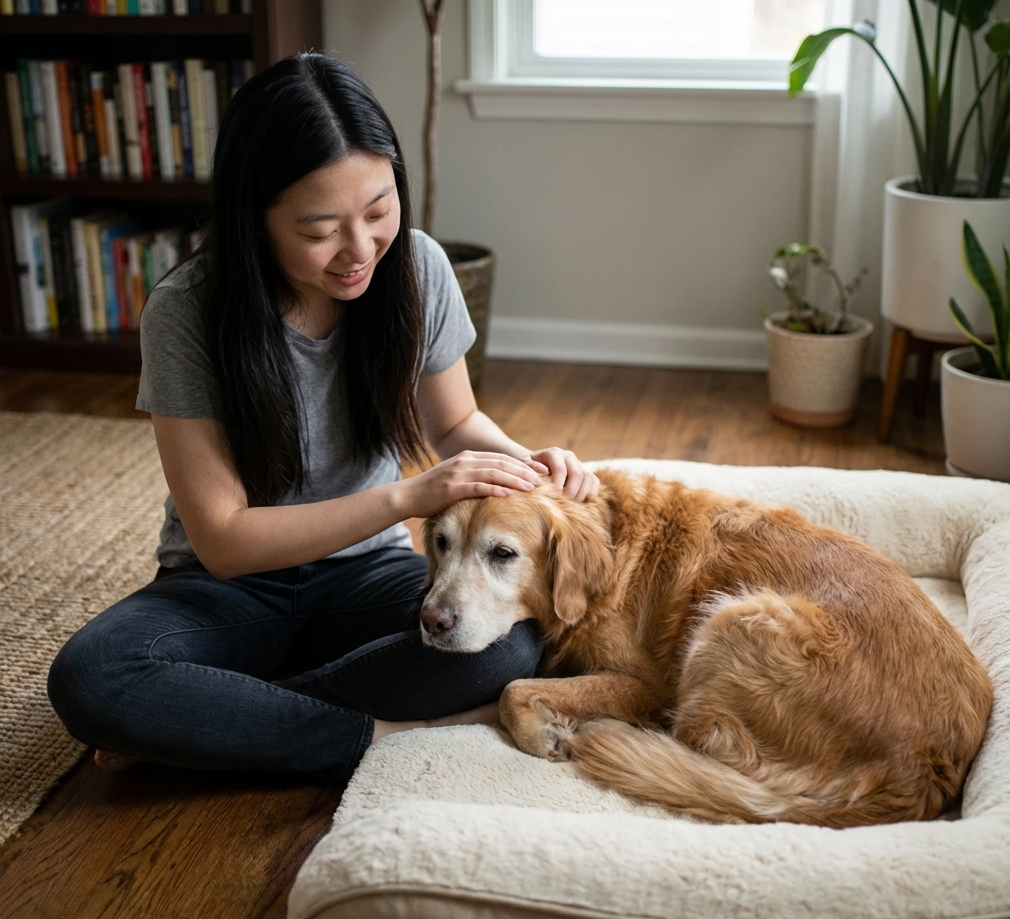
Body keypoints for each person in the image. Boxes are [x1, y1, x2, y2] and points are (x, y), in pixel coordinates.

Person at [47, 53, 599, 785]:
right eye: (320, 229)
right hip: (232, 589)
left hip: (364, 576)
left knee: (510, 646)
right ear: (256, 217)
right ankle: (390, 728)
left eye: (378, 211)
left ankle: (217, 727)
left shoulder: (417, 269)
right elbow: (225, 540)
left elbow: (457, 424)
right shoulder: (188, 312)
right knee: (95, 678)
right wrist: (407, 498)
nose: (362, 248)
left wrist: (533, 467)